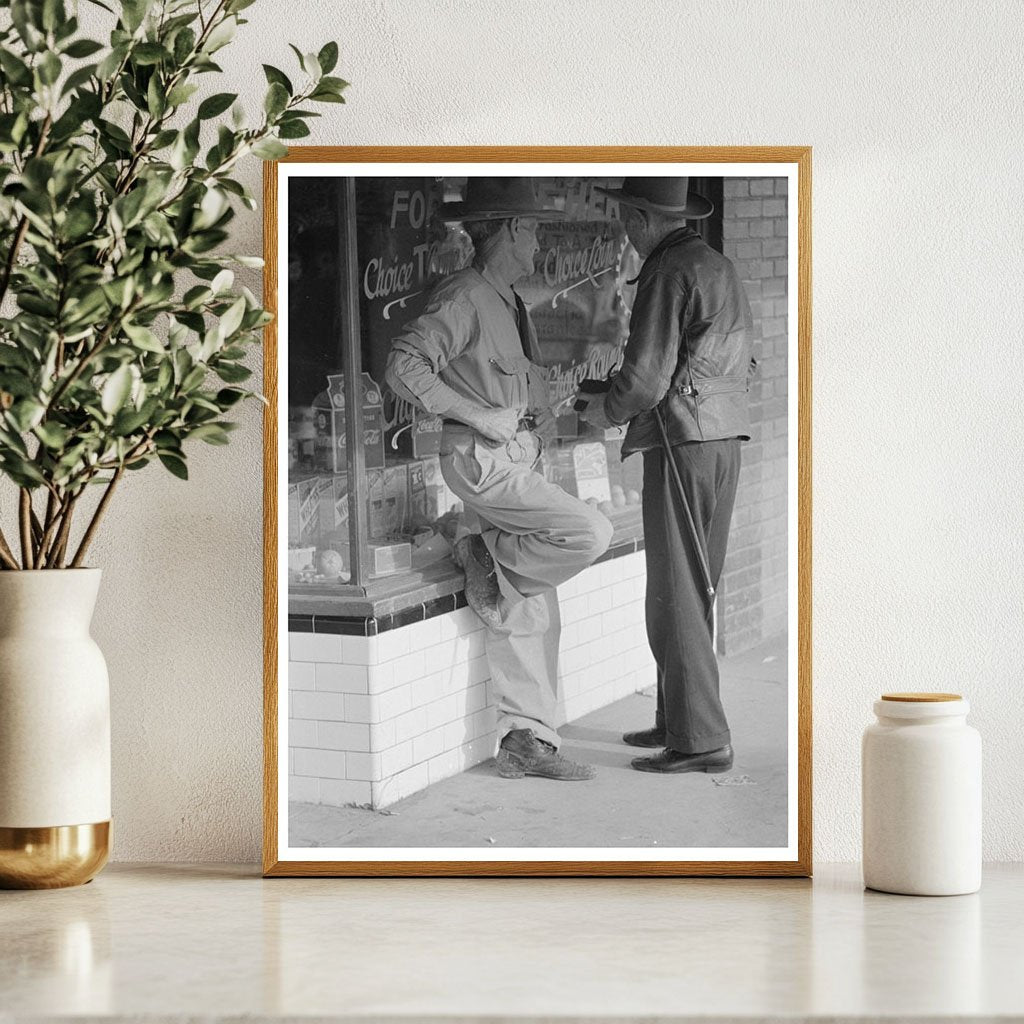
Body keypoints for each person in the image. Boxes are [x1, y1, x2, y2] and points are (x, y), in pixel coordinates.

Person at [385, 177, 612, 782]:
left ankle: (525, 737)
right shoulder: (464, 297)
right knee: (587, 532)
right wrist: (480, 415)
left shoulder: (506, 299)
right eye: (534, 227)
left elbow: (515, 387)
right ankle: (480, 550)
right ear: (511, 229)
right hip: (481, 462)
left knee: (525, 600)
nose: (539, 240)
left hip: (513, 459)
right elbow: (404, 367)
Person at [580, 177, 754, 774]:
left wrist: (601, 409)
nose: (625, 231)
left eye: (627, 218)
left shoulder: (665, 268)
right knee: (692, 589)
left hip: (682, 441)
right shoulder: (715, 264)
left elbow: (649, 378)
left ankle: (700, 742)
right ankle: (679, 719)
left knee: (675, 591)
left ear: (640, 216)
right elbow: (707, 360)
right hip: (722, 440)